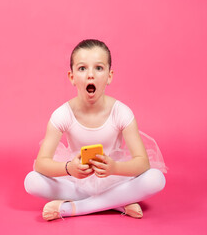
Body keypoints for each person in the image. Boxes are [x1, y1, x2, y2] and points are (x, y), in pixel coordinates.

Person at [24, 39, 167, 221]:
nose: (90, 75)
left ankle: (74, 208)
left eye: (98, 68)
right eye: (82, 68)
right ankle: (116, 203)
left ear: (109, 76)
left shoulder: (121, 112)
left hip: (114, 179)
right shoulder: (62, 115)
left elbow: (143, 163)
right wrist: (69, 169)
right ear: (72, 77)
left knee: (156, 178)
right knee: (31, 181)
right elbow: (41, 164)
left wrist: (114, 167)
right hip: (77, 182)